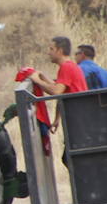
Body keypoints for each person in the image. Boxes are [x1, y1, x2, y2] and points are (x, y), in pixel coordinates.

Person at [24, 37, 88, 165]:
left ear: (60, 50)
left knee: (70, 160)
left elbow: (56, 92)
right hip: (77, 119)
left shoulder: (66, 67)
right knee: (69, 159)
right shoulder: (68, 67)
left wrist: (37, 80)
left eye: (51, 49)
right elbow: (63, 92)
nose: (49, 52)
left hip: (79, 121)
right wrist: (57, 119)